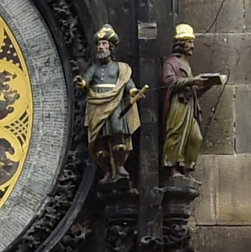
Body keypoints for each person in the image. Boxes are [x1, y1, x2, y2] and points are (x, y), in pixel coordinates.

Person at [74, 24, 145, 180]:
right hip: (98, 104)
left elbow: (127, 83)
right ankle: (107, 170)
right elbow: (86, 81)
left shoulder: (120, 68)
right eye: (99, 44)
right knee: (100, 140)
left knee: (118, 133)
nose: (101, 47)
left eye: (104, 44)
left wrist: (134, 92)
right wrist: (81, 83)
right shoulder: (94, 68)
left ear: (111, 48)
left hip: (115, 103)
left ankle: (119, 167)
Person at [160, 22, 226, 175]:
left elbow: (192, 89)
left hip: (189, 105)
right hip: (178, 106)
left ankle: (186, 168)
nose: (192, 46)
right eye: (189, 42)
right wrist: (192, 81)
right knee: (175, 134)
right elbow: (168, 81)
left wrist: (206, 85)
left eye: (192, 42)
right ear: (181, 44)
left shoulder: (186, 65)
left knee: (195, 137)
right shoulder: (171, 63)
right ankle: (172, 168)